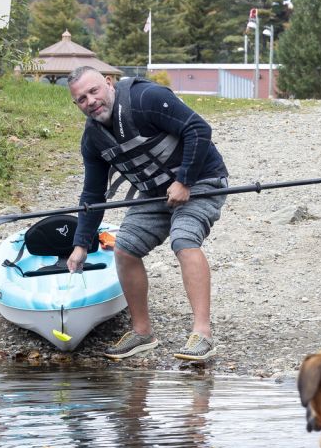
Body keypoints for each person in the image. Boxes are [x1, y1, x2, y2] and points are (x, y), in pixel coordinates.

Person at [65, 67, 230, 362]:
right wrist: (80, 245)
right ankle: (142, 333)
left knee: (184, 239)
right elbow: (93, 196)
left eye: (94, 92)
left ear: (108, 83)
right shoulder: (93, 139)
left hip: (202, 181)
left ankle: (202, 335)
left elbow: (199, 129)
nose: (90, 101)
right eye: (81, 99)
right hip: (154, 193)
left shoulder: (147, 98)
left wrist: (185, 181)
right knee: (125, 249)